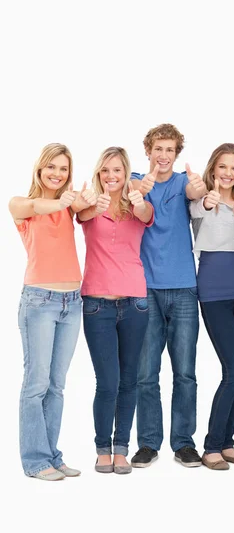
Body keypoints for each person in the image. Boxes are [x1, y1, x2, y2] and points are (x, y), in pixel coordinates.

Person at [9, 143, 97, 480]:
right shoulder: (22, 204)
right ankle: (34, 461)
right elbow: (33, 204)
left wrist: (87, 203)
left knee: (56, 385)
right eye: (52, 168)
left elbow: (84, 212)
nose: (57, 174)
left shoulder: (68, 206)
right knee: (36, 384)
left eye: (63, 169)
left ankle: (52, 455)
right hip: (39, 303)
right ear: (40, 169)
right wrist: (62, 202)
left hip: (72, 303)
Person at [129, 123, 207, 468]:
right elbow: (131, 192)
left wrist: (199, 185)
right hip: (145, 288)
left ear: (177, 154)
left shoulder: (181, 183)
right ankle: (148, 443)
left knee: (185, 372)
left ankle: (184, 442)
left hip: (185, 289)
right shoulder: (134, 180)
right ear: (148, 150)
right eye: (158, 149)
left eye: (170, 150)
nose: (163, 155)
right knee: (146, 373)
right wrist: (140, 188)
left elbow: (195, 192)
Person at [78, 147, 154, 474]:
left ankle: (122, 447)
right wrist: (87, 202)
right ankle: (101, 448)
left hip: (135, 302)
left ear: (126, 175)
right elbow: (79, 214)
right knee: (107, 381)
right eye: (106, 171)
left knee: (129, 380)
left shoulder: (137, 205)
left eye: (118, 171)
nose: (111, 176)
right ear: (99, 173)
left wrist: (138, 200)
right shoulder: (91, 207)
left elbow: (147, 215)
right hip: (97, 304)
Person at [190, 143, 234, 470]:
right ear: (213, 170)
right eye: (223, 167)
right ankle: (212, 446)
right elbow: (197, 209)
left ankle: (227, 443)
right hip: (214, 293)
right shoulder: (202, 202)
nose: (228, 173)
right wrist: (206, 199)